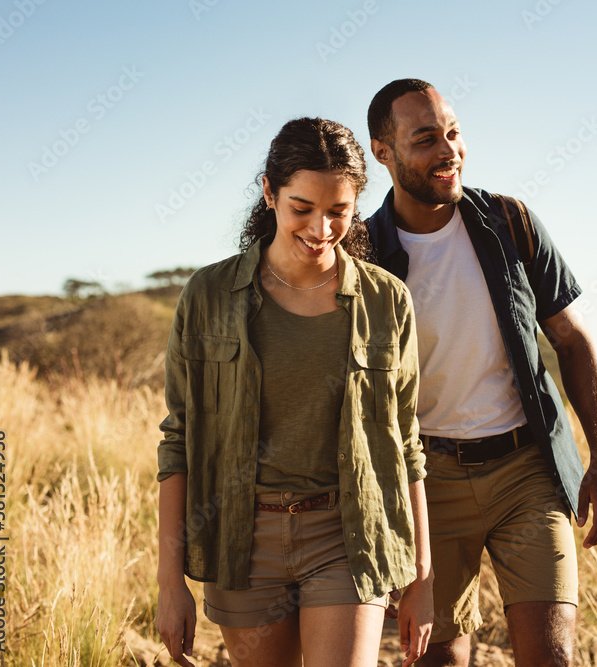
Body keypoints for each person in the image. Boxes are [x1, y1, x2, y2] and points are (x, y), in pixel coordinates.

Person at [155, 117, 433, 667]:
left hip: (347, 535)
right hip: (241, 540)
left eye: (338, 211)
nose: (321, 228)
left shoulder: (386, 301)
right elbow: (178, 441)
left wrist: (422, 577)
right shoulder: (208, 295)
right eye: (301, 208)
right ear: (269, 193)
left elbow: (407, 443)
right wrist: (170, 583)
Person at [364, 79, 597, 666]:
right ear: (383, 151)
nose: (448, 150)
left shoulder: (511, 221)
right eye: (426, 138)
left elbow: (573, 338)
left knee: (550, 656)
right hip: (427, 486)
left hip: (525, 471)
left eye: (454, 133)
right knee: (442, 660)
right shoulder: (364, 252)